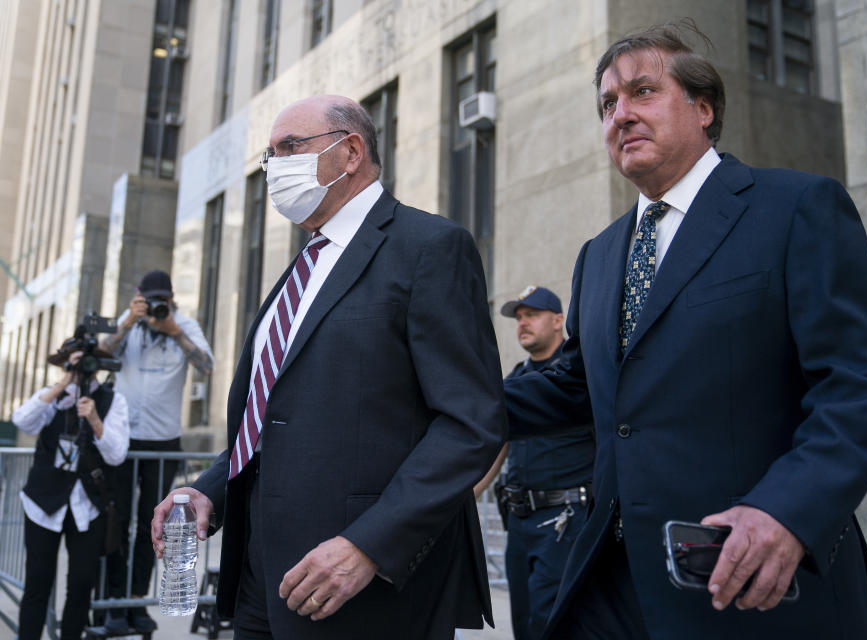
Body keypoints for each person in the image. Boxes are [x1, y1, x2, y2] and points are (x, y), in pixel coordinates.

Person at [502, 22, 867, 639]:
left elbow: (861, 386)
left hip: (754, 581)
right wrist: (441, 387)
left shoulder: (795, 208)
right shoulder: (601, 253)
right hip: (614, 585)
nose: (621, 115)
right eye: (608, 104)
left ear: (703, 106)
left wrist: (787, 512)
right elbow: (578, 387)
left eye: (642, 92)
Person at [150, 95, 505, 639]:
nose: (274, 167)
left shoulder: (429, 247)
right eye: (270, 155)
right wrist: (210, 490)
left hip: (364, 586)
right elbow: (270, 419)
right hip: (261, 579)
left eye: (290, 147)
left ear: (351, 151)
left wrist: (368, 545)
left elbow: (469, 425)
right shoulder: (300, 270)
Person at [475, 285, 594, 640]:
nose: (523, 324)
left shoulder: (579, 380)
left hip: (566, 519)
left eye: (533, 315)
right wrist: (460, 497)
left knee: (550, 621)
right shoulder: (517, 379)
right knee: (524, 621)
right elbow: (498, 448)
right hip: (520, 522)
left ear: (559, 321)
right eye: (519, 317)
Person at [99, 269, 213, 633]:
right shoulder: (128, 322)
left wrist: (174, 333)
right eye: (151, 300)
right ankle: (114, 603)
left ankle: (136, 603)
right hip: (123, 440)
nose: (158, 306)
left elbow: (207, 366)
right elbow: (103, 354)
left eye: (163, 299)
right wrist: (128, 322)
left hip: (163, 439)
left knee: (155, 524)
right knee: (118, 523)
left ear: (172, 297)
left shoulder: (183, 324)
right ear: (139, 297)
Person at [13, 341, 130, 640]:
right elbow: (22, 421)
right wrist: (62, 385)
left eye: (85, 363)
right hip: (42, 503)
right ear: (65, 364)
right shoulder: (51, 397)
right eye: (74, 363)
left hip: (87, 505)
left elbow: (117, 454)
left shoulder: (112, 400)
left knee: (81, 583)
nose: (80, 369)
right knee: (37, 582)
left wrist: (94, 419)